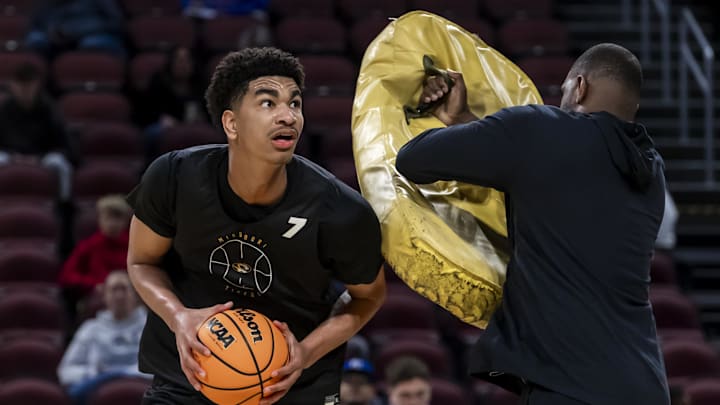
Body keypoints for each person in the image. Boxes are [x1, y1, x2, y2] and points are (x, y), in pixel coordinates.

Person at [395, 43, 669, 404]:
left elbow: (413, 159)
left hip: (570, 383)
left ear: (580, 86)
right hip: (645, 382)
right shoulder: (651, 168)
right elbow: (555, 178)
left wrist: (446, 121)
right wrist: (468, 124)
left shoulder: (540, 129)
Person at [126, 47, 386, 404]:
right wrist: (178, 317)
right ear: (231, 123)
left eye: (294, 103)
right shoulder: (173, 176)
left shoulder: (340, 210)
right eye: (268, 103)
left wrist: (307, 351)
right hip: (191, 376)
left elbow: (368, 297)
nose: (288, 116)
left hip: (291, 385)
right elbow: (142, 262)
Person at [58, 270, 149, 405]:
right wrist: (94, 373)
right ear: (104, 296)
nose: (119, 296)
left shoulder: (150, 328)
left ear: (135, 295)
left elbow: (166, 369)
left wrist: (125, 374)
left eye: (124, 289)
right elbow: (66, 371)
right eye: (114, 290)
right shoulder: (90, 329)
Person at [0, 62, 74, 202]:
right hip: (10, 155)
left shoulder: (49, 109)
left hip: (43, 157)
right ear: (12, 86)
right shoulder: (4, 109)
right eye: (20, 85)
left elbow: (63, 144)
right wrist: (13, 155)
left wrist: (38, 157)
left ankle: (64, 205)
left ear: (36, 85)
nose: (24, 90)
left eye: (28, 85)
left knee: (60, 165)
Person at [58, 194, 132, 317]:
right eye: (108, 218)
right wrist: (95, 284)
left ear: (125, 222)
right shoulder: (89, 246)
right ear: (100, 220)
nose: (112, 223)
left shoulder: (134, 247)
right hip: (98, 299)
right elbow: (66, 277)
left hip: (129, 297)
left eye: (117, 218)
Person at [131, 45, 207, 162]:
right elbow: (144, 111)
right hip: (162, 125)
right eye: (179, 61)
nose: (183, 65)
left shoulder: (200, 84)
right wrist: (161, 118)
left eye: (187, 61)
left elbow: (208, 110)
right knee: (154, 134)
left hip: (191, 125)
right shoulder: (159, 82)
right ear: (171, 63)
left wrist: (202, 117)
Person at [25, 0, 126, 58]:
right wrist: (52, 30)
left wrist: (76, 31)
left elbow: (115, 21)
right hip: (57, 39)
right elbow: (39, 19)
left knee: (92, 42)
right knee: (36, 39)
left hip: (93, 35)